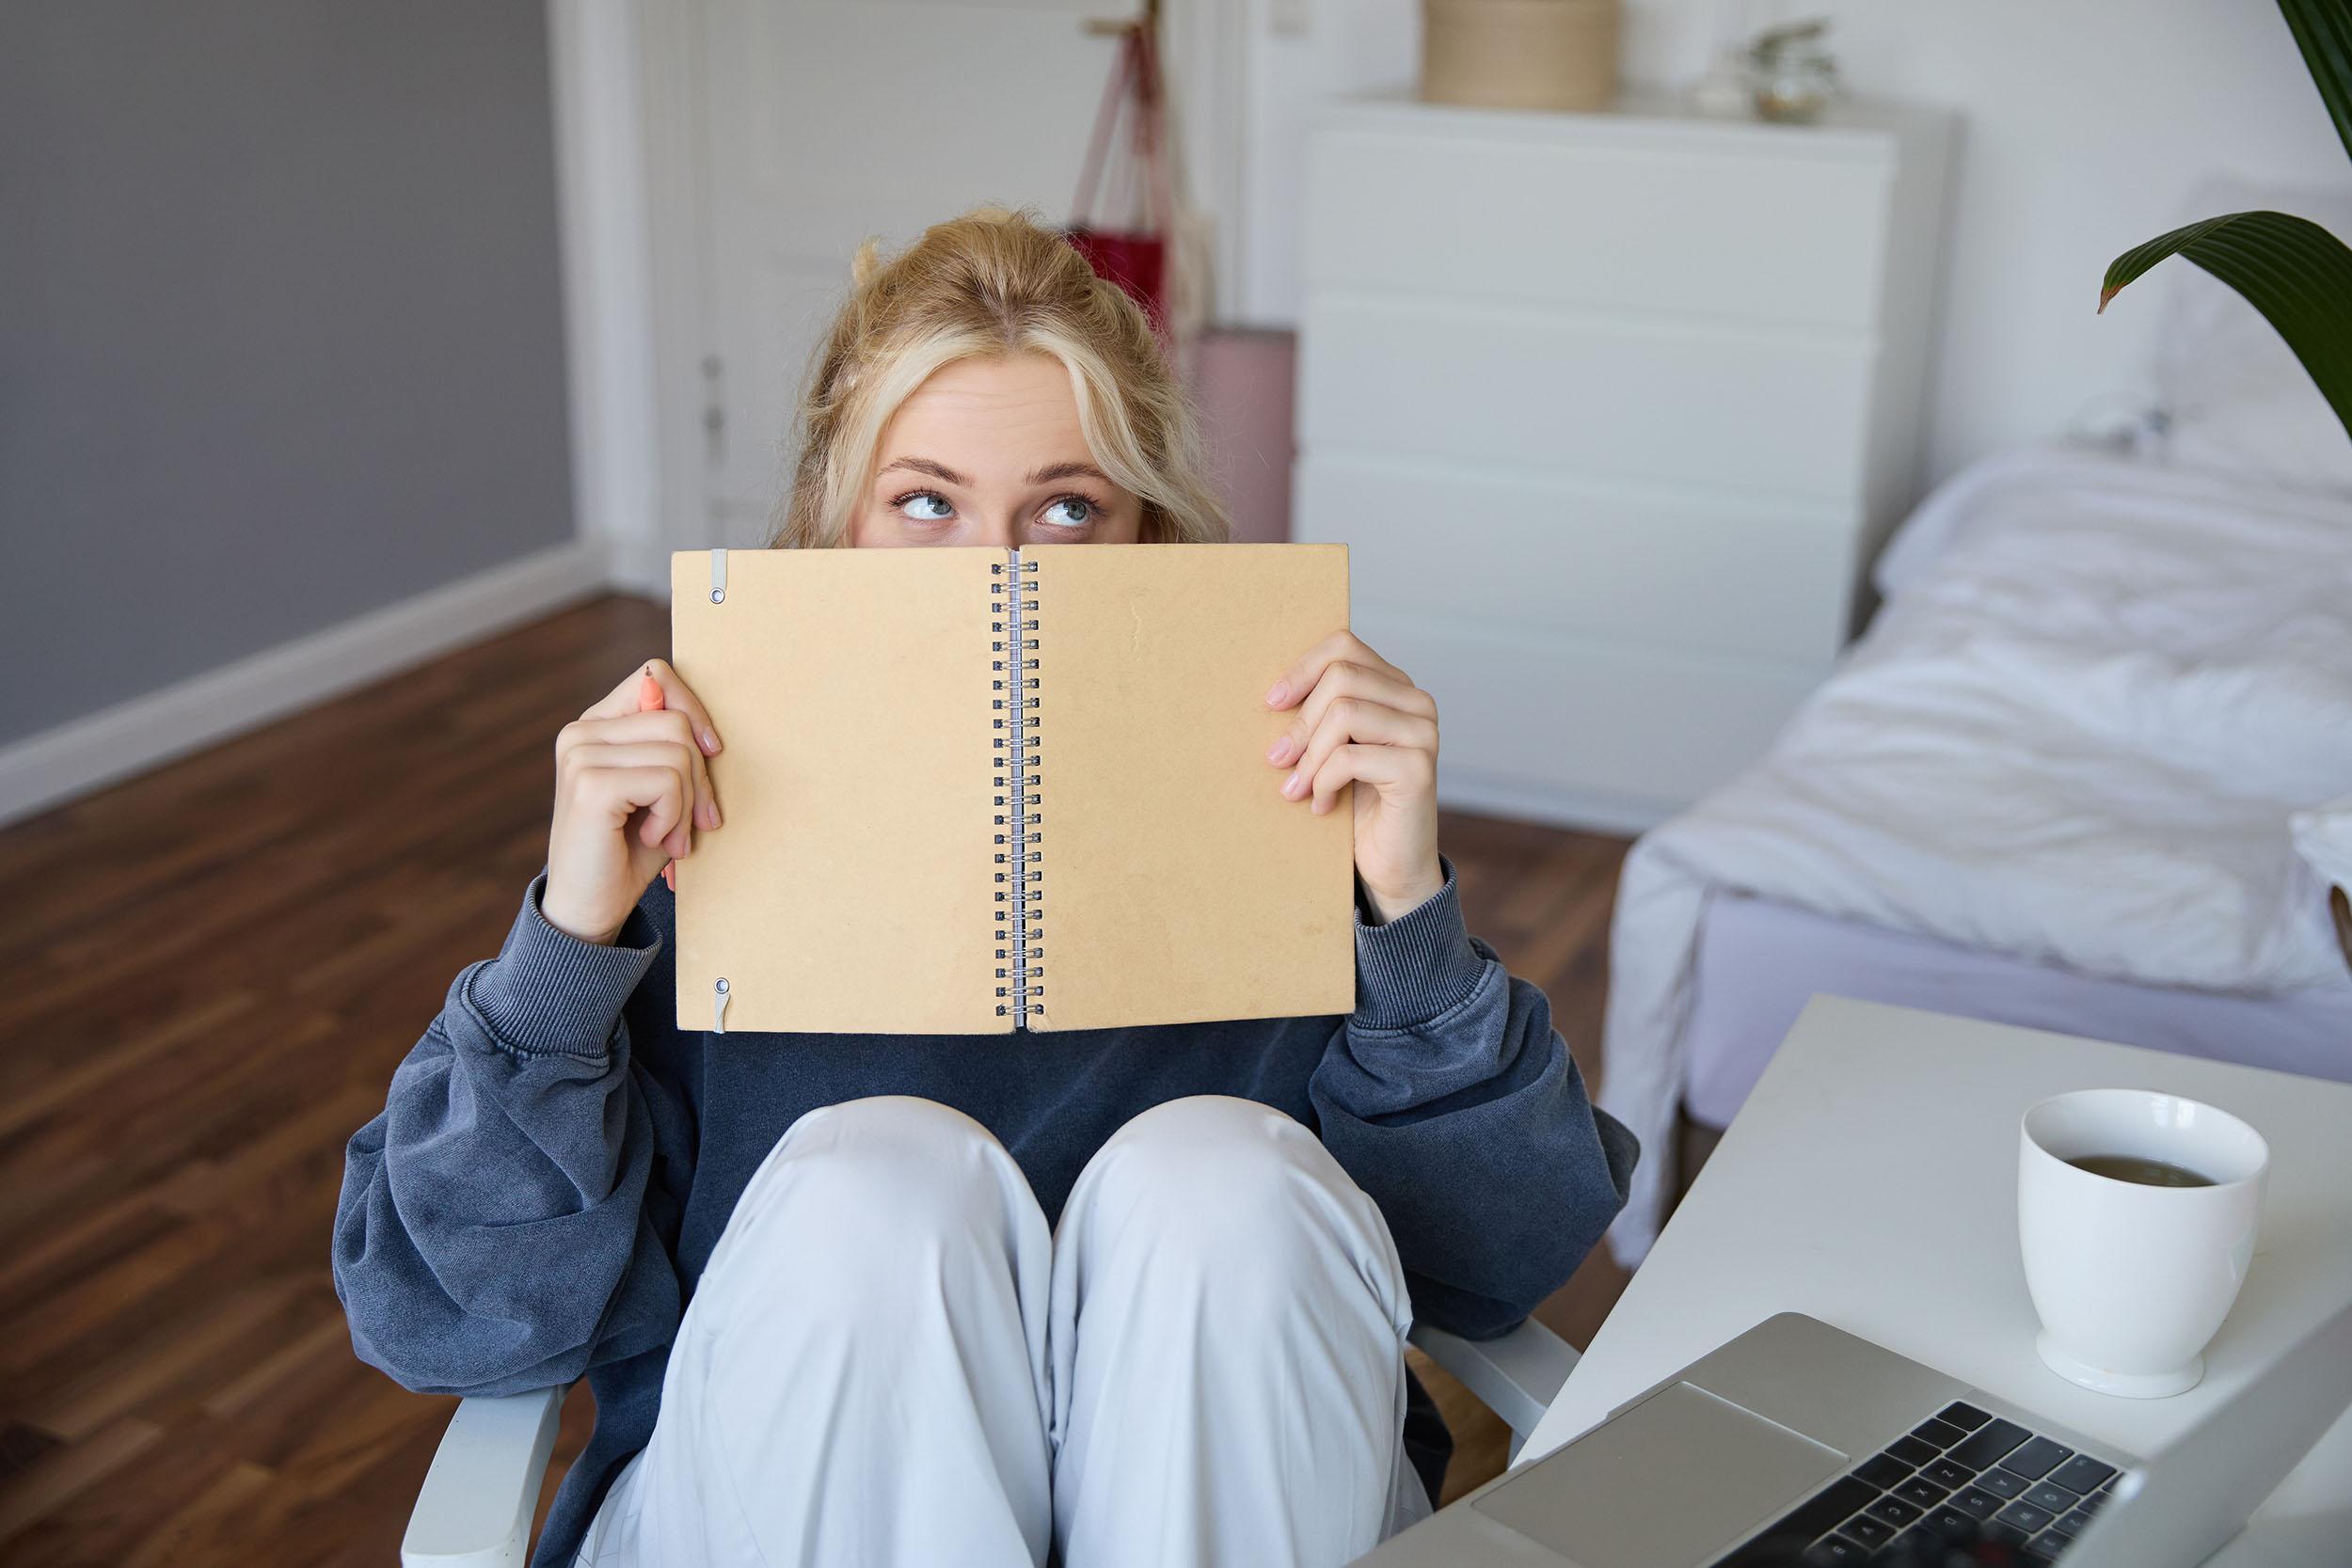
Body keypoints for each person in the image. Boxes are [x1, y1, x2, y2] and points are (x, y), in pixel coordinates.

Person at [333, 208, 1637, 1568]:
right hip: (760, 1507)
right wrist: (569, 946)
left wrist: (1404, 911)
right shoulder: (698, 835)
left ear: (1148, 539)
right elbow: (446, 1312)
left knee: (1224, 1190)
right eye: (926, 504)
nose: (997, 571)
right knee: (872, 1190)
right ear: (833, 534)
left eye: (1066, 508)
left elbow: (1499, 1266)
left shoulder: (1284, 815)